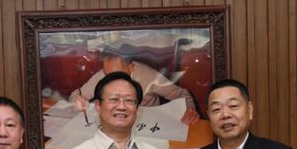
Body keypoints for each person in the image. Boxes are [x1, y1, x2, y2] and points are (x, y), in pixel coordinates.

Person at [69, 47, 200, 125]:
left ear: (131, 67)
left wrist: (190, 109)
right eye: (107, 74)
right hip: (114, 124)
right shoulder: (104, 74)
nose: (110, 79)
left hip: (145, 124)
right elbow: (77, 94)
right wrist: (77, 101)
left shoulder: (149, 76)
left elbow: (181, 94)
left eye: (117, 75)